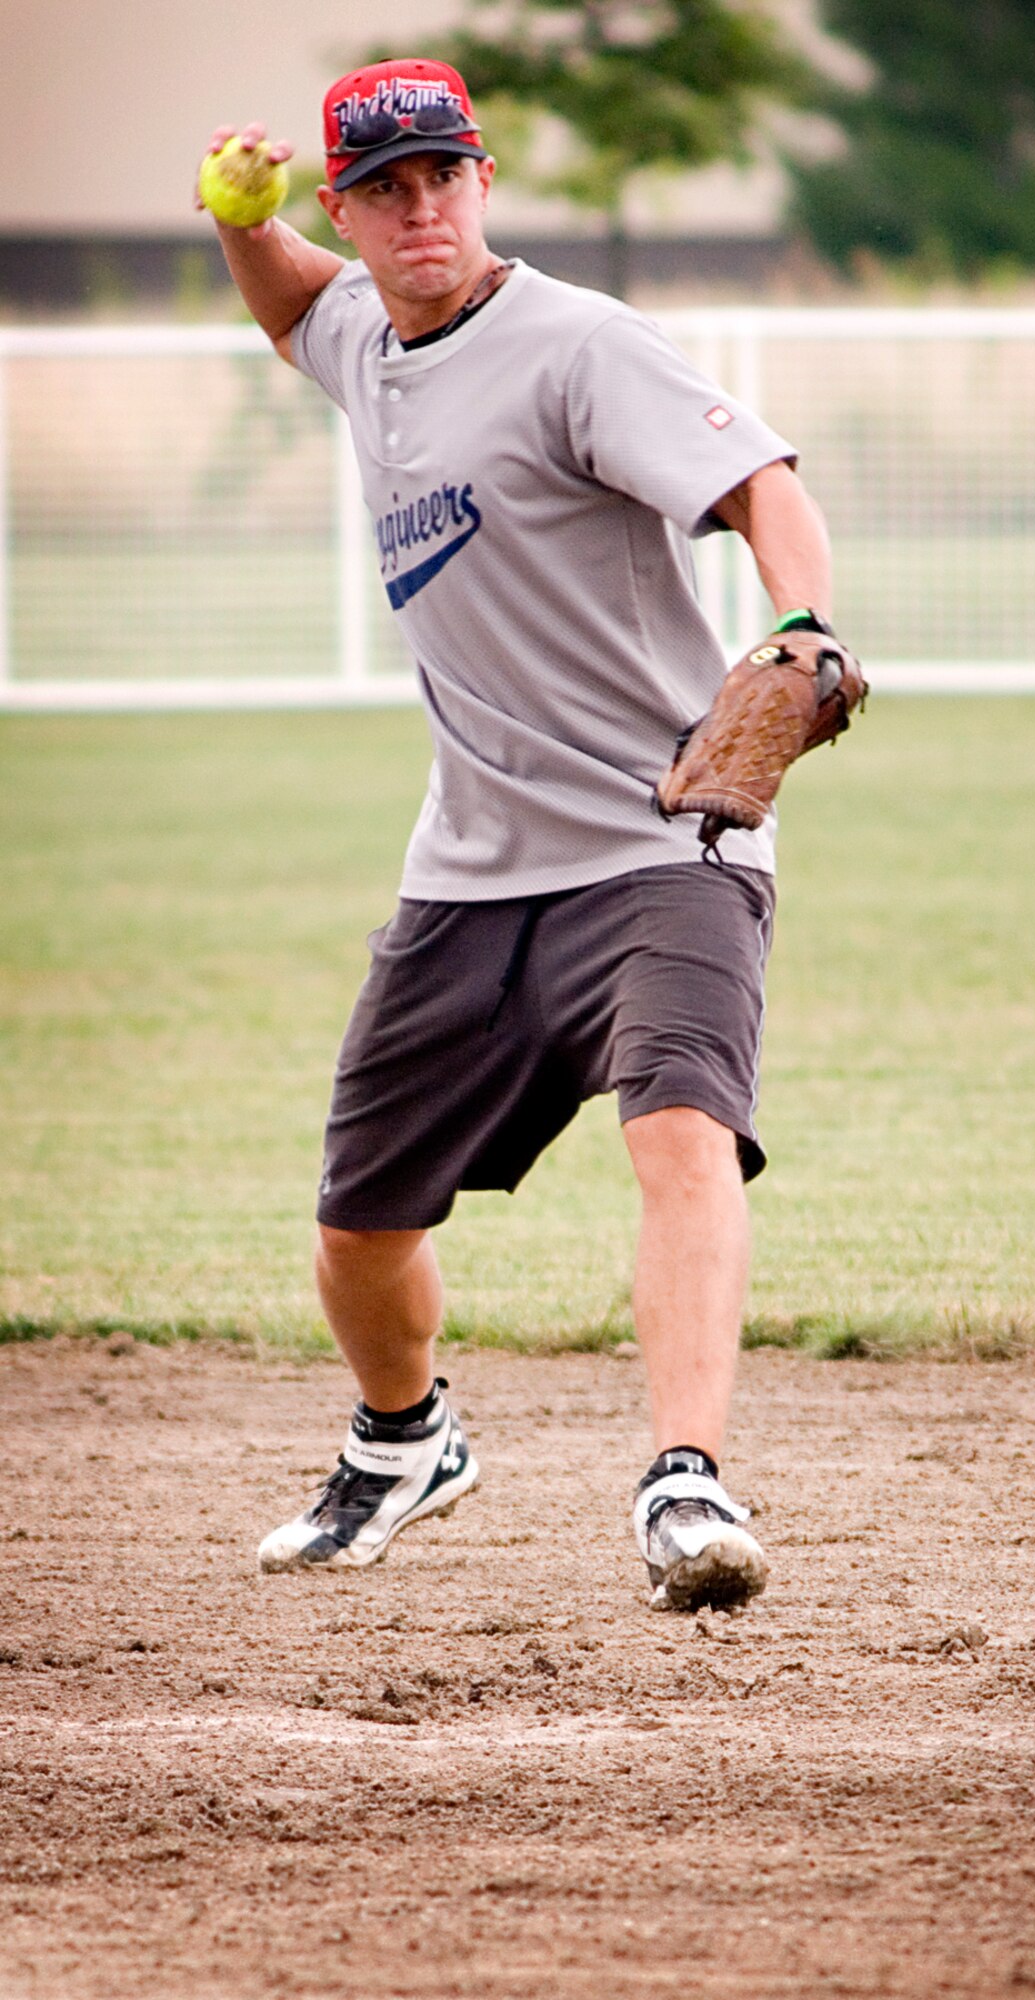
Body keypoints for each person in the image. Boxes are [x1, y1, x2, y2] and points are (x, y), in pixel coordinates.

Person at [201, 56, 841, 1612]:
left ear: (481, 182)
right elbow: (294, 308)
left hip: (661, 832)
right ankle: (405, 1441)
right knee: (357, 1227)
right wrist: (237, 225)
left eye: (445, 177)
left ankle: (684, 1484)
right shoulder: (357, 326)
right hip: (471, 866)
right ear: (346, 209)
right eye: (385, 188)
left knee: (681, 1132)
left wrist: (806, 623)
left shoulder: (577, 347)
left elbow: (758, 480)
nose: (422, 209)